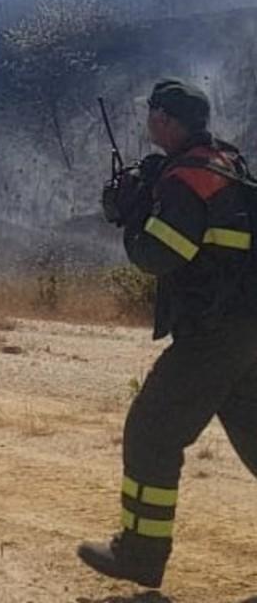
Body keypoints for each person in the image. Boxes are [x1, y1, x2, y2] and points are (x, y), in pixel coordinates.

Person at [78, 78, 257, 589]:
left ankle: (139, 555)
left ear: (168, 121)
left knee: (151, 433)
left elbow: (161, 254)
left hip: (213, 335)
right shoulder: (223, 162)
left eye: (153, 114)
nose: (148, 121)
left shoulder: (186, 179)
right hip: (247, 331)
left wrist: (133, 219)